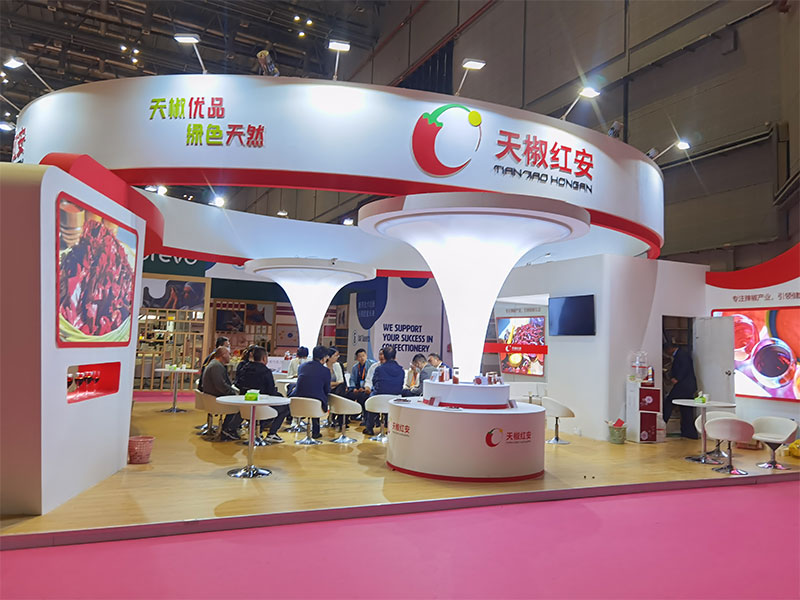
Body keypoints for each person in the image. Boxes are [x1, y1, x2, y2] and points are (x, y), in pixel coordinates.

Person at [234, 345, 289, 444]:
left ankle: (257, 431)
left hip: (246, 405)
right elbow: (271, 391)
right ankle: (272, 433)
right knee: (285, 407)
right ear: (264, 358)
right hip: (263, 405)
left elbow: (238, 384)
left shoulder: (244, 368)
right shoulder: (265, 371)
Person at [201, 346, 241, 441]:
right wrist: (233, 394)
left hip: (211, 398)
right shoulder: (216, 366)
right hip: (215, 400)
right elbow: (221, 385)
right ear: (223, 355)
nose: (230, 357)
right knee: (241, 405)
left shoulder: (215, 364)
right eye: (229, 354)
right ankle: (228, 429)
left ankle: (227, 428)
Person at [289, 345, 330, 439]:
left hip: (297, 400)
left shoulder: (302, 367)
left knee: (312, 394)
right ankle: (316, 432)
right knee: (318, 397)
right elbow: (327, 390)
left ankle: (297, 423)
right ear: (323, 358)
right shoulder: (325, 371)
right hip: (315, 403)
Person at [363, 345, 404, 436]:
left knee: (371, 397)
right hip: (395, 399)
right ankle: (391, 429)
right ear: (395, 356)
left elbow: (374, 382)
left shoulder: (379, 369)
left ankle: (369, 427)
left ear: (384, 356)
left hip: (379, 398)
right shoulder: (401, 370)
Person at [663, 342, 699, 439]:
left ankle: (662, 425)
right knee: (686, 409)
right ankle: (689, 433)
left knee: (669, 402)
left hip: (684, 386)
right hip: (687, 386)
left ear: (670, 349)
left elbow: (684, 368)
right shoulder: (681, 354)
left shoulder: (682, 355)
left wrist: (677, 378)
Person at [346, 348, 375, 414]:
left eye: (363, 356)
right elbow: (352, 379)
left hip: (367, 388)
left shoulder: (372, 365)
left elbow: (372, 379)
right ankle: (351, 414)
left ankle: (364, 415)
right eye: (360, 356)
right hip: (358, 388)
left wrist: (365, 388)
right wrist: (354, 388)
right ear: (357, 358)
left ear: (366, 356)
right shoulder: (355, 367)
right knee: (348, 395)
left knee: (362, 396)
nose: (362, 358)